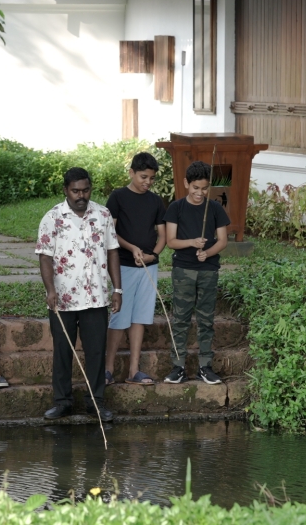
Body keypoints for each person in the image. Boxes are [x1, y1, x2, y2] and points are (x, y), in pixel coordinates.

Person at [35, 168, 122, 421]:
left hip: (96, 298)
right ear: (66, 190)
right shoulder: (52, 218)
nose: (81, 195)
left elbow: (112, 251)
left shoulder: (103, 214)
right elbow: (45, 257)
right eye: (75, 191)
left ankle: (96, 403)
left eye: (85, 190)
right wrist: (50, 290)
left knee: (96, 352)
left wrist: (117, 289)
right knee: (63, 351)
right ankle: (62, 402)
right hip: (63, 299)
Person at [163, 161, 230, 385]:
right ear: (186, 184)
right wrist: (192, 242)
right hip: (183, 269)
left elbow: (222, 240)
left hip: (208, 271)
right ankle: (178, 366)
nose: (200, 193)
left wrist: (208, 253)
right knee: (181, 318)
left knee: (206, 318)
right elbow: (171, 241)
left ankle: (205, 366)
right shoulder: (176, 208)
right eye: (195, 188)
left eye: (204, 188)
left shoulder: (215, 209)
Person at [104, 152, 166, 386]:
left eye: (152, 178)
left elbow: (163, 235)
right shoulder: (118, 197)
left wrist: (153, 255)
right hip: (123, 265)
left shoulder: (155, 201)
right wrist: (131, 248)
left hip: (148, 267)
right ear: (131, 173)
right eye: (143, 177)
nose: (148, 182)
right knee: (119, 316)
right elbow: (111, 232)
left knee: (140, 317)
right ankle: (108, 369)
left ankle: (134, 370)